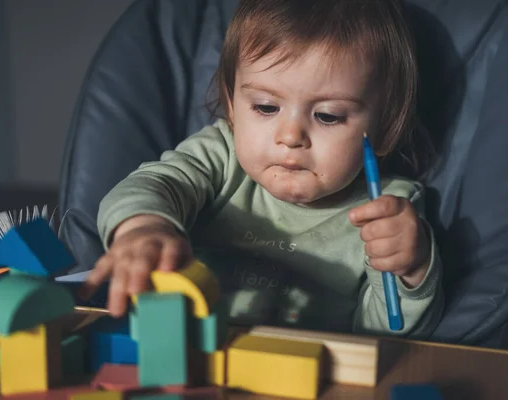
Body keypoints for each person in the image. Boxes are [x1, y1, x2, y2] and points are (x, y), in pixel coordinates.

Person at [79, 0, 443, 337]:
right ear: (232, 105)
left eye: (328, 115)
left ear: (386, 126)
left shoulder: (390, 210)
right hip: (185, 349)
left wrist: (409, 270)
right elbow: (152, 185)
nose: (290, 136)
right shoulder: (219, 154)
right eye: (267, 108)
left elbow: (387, 338)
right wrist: (144, 228)